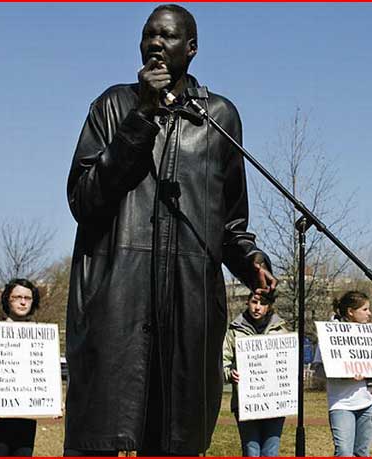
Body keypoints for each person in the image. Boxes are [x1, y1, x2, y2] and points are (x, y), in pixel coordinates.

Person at [64, 4, 277, 456]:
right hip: (118, 302)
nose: (155, 43)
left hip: (188, 307)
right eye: (148, 35)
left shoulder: (219, 117)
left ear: (192, 48)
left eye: (167, 36)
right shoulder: (113, 105)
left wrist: (250, 260)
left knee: (175, 441)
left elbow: (231, 223)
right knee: (103, 438)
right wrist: (140, 118)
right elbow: (85, 200)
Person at [312, 291, 372, 457]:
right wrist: (342, 373)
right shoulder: (330, 334)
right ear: (351, 312)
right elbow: (317, 369)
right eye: (365, 309)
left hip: (369, 402)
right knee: (344, 452)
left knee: (362, 452)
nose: (370, 313)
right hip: (340, 404)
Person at [0, 279, 41, 456]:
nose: (23, 302)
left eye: (28, 298)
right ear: (7, 300)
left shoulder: (41, 336)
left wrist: (54, 400)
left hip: (26, 418)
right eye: (17, 297)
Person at [222, 292, 288, 456]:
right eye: (254, 301)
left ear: (269, 306)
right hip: (246, 402)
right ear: (247, 302)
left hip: (275, 403)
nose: (257, 307)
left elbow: (290, 361)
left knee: (270, 451)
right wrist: (230, 373)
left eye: (263, 303)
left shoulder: (282, 330)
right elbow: (223, 360)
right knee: (251, 451)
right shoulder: (234, 329)